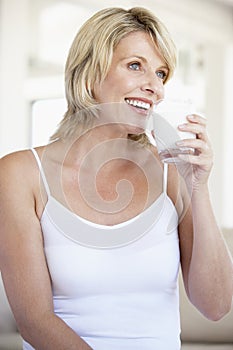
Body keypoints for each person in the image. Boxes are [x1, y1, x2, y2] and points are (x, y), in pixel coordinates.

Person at [0, 6, 232, 350]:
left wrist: (198, 186)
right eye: (135, 65)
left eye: (162, 73)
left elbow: (216, 306)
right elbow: (35, 321)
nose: (154, 87)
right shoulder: (21, 174)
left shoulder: (171, 172)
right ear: (90, 74)